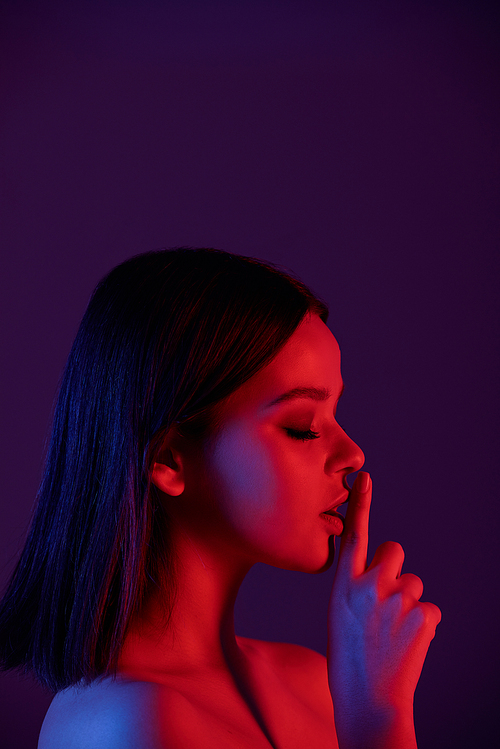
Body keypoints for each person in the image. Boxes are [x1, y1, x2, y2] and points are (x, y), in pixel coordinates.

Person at [0, 248, 441, 748]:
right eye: (301, 427)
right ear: (168, 459)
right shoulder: (123, 722)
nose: (354, 453)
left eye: (337, 413)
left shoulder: (316, 682)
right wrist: (378, 724)